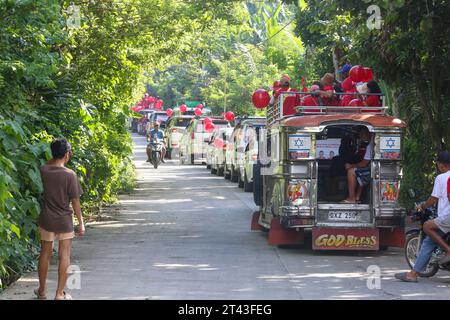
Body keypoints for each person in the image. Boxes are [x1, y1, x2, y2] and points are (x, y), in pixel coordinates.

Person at [36, 139, 84, 300]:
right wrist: (81, 223)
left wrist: (57, 156)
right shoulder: (70, 175)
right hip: (64, 220)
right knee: (65, 255)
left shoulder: (44, 170)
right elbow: (75, 202)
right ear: (67, 154)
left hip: (47, 219)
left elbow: (49, 162)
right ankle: (59, 294)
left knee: (45, 253)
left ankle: (42, 291)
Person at [395, 151, 450, 282]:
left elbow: (433, 199)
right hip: (444, 220)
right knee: (430, 241)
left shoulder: (442, 178)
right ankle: (413, 273)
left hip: (447, 217)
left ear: (441, 165)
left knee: (427, 227)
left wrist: (423, 206)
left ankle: (448, 250)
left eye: (437, 164)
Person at [342, 127, 373, 203]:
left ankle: (351, 198)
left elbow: (364, 163)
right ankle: (357, 197)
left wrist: (351, 166)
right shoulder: (370, 144)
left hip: (372, 171)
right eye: (360, 134)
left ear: (369, 133)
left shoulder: (370, 146)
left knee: (351, 171)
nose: (361, 136)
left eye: (363, 134)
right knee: (359, 173)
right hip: (371, 170)